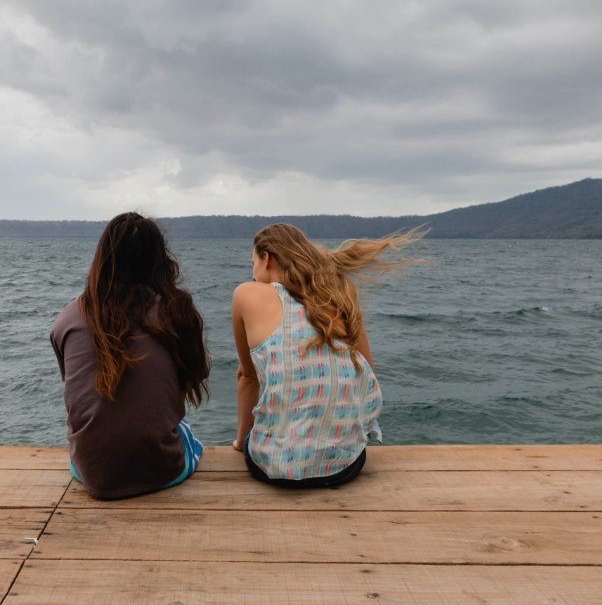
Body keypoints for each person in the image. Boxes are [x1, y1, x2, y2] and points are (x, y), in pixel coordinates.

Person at [231, 223, 422, 487]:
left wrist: (243, 441)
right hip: (343, 468)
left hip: (272, 466)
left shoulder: (246, 293)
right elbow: (368, 375)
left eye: (252, 263)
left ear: (267, 258)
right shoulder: (337, 295)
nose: (252, 275)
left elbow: (247, 377)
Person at [50, 212, 210, 499]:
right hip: (164, 470)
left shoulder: (69, 318)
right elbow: (188, 381)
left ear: (102, 259)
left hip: (92, 473)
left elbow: (76, 389)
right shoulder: (177, 311)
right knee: (186, 431)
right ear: (160, 259)